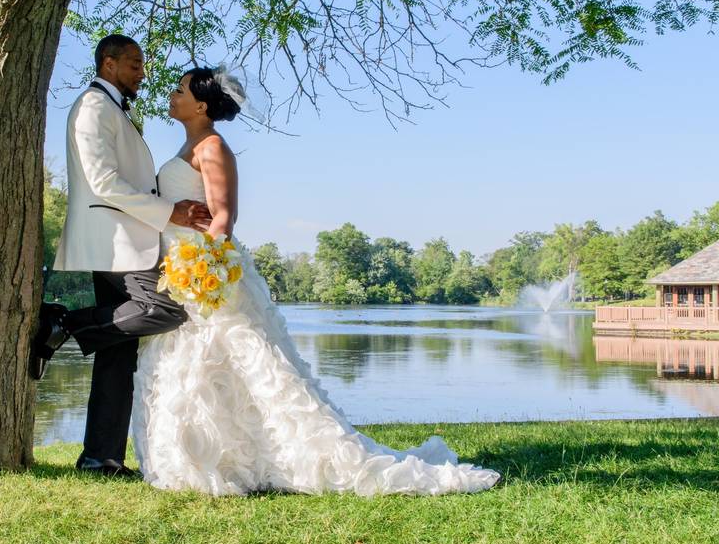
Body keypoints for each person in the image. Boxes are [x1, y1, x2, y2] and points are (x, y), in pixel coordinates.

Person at [130, 66, 501, 495]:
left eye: (179, 91)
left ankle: (260, 458)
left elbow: (224, 216)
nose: (172, 96)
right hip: (180, 271)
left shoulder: (212, 146)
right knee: (195, 368)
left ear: (201, 105)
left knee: (235, 367)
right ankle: (209, 456)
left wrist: (208, 271)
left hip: (205, 274)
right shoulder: (189, 143)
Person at [30, 34, 211, 477]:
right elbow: (104, 183)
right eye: (134, 64)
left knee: (118, 349)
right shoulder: (93, 107)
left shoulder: (111, 109)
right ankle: (62, 324)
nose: (141, 73)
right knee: (165, 307)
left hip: (126, 237)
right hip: (113, 240)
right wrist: (170, 211)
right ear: (108, 64)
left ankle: (100, 457)